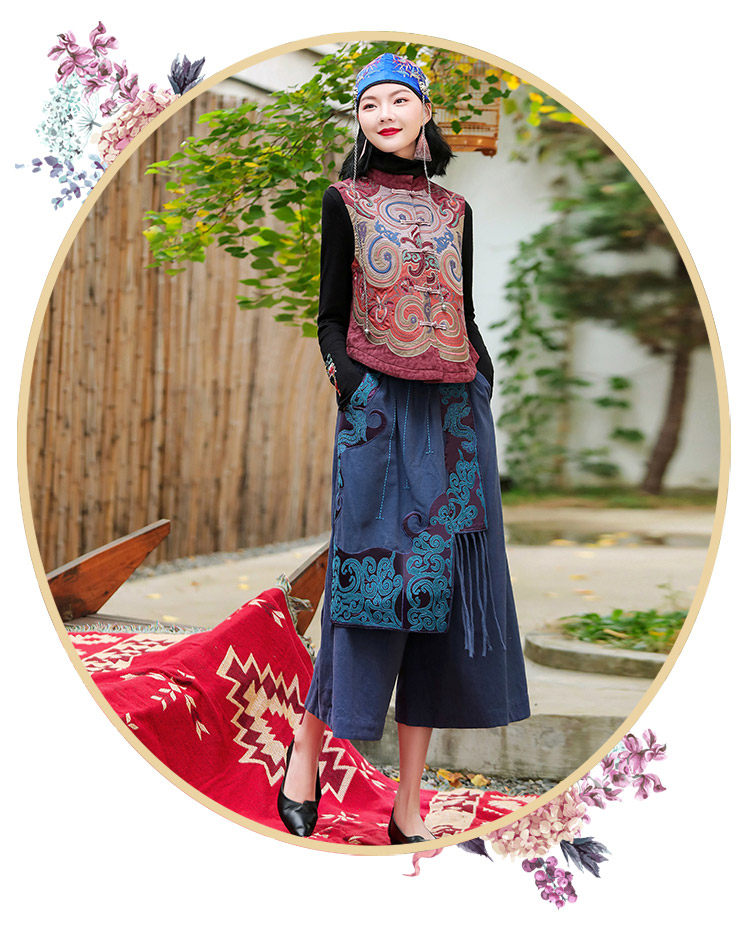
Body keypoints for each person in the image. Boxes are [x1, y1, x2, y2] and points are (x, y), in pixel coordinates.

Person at [276, 52, 531, 845]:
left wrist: (482, 378)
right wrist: (354, 388)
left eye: (398, 100)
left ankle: (408, 804)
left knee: (440, 598)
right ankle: (305, 755)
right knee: (368, 587)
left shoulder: (456, 210)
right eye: (369, 104)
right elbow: (329, 315)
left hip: (455, 415)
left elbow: (466, 309)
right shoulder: (344, 200)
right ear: (360, 119)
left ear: (424, 112)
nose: (383, 114)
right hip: (379, 414)